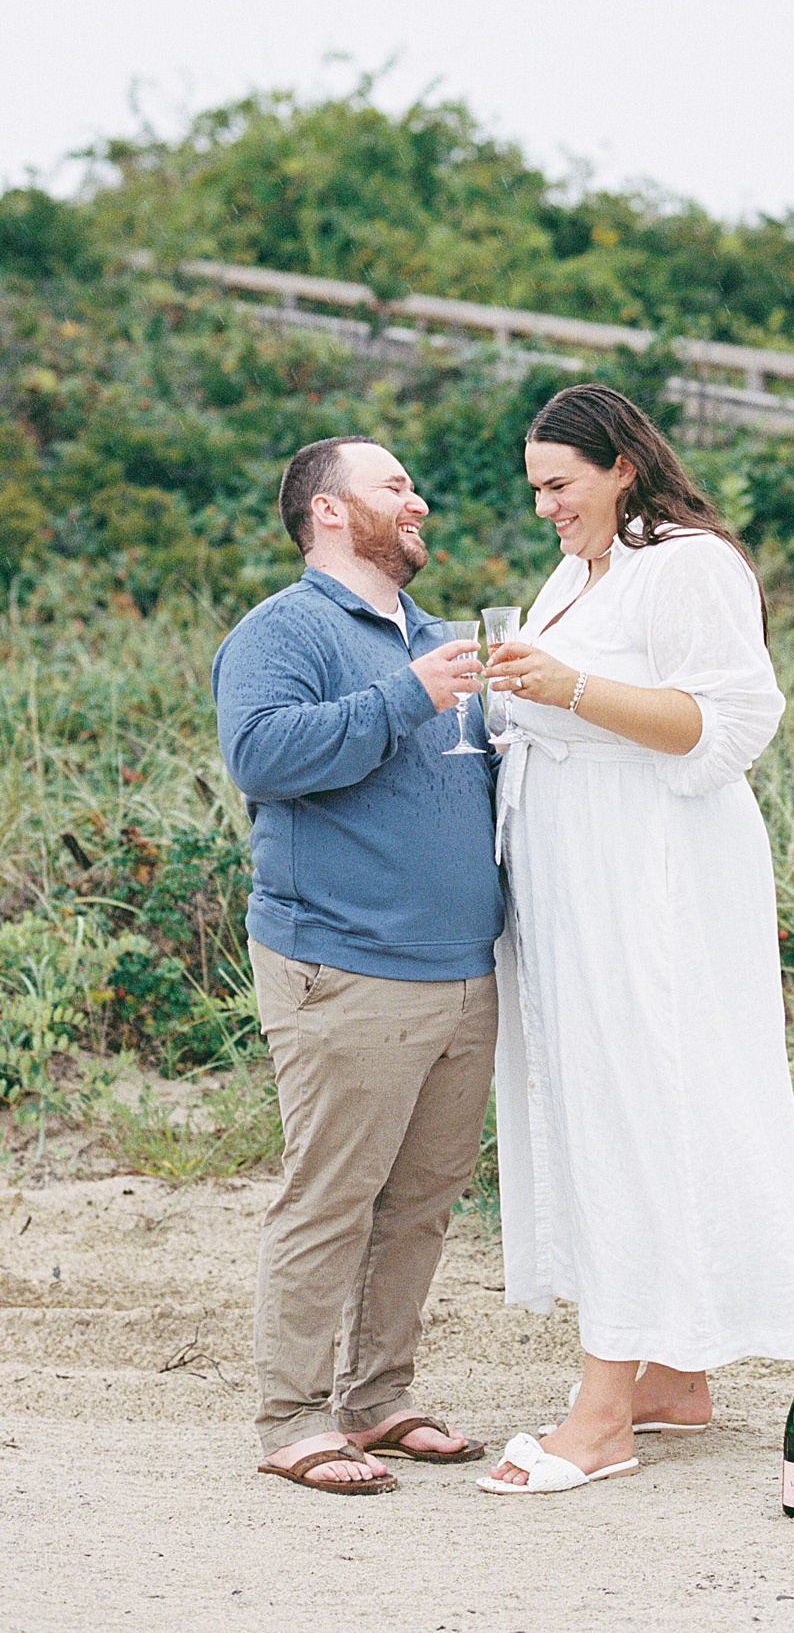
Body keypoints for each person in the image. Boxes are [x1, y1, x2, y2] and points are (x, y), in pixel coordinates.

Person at [478, 384, 794, 1496]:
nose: (544, 506)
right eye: (534, 488)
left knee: (638, 1097)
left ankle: (601, 1419)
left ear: (622, 465)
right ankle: (674, 1375)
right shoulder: (581, 570)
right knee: (603, 1098)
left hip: (653, 878)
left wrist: (570, 686)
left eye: (559, 485)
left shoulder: (689, 563)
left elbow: (728, 719)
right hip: (576, 873)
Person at [212, 435, 503, 1494]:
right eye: (393, 486)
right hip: (345, 962)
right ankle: (291, 1419)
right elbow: (262, 755)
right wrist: (404, 698)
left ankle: (378, 1401)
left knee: (424, 1200)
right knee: (330, 1196)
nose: (417, 499)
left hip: (463, 972)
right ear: (330, 511)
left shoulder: (430, 633)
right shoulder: (283, 629)